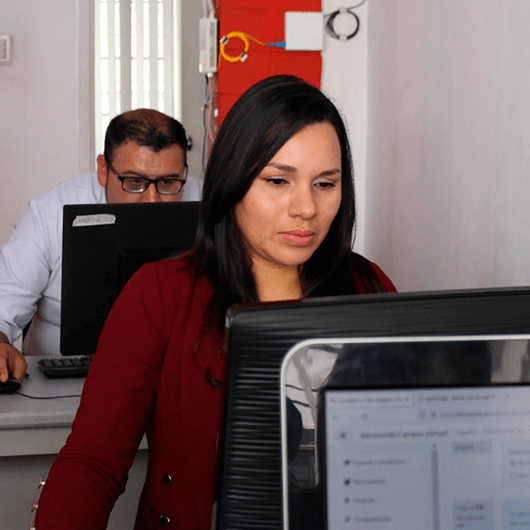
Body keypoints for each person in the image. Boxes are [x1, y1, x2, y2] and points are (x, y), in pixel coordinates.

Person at [34, 75, 396, 529]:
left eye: (325, 184)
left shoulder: (367, 285)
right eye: (278, 181)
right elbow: (93, 463)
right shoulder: (160, 295)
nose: (306, 208)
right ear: (232, 180)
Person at [0, 109, 202, 384]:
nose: (152, 201)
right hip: (65, 380)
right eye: (135, 182)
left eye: (169, 182)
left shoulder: (210, 204)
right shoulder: (50, 212)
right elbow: (4, 304)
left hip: (176, 377)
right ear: (103, 170)